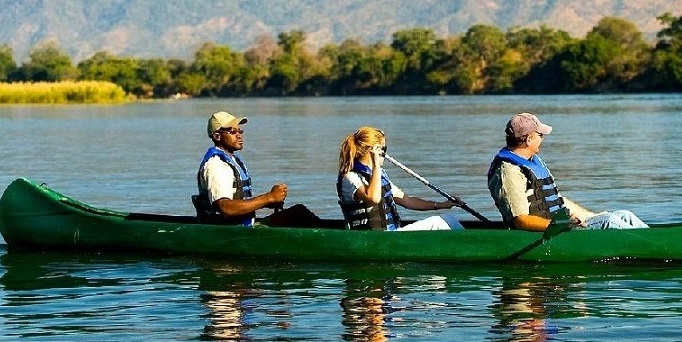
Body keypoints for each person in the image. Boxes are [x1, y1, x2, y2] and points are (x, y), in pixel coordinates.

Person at [487, 112, 648, 232]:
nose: (542, 139)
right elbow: (520, 220)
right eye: (540, 135)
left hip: (560, 224)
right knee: (609, 221)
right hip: (547, 232)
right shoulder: (509, 171)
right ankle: (656, 247)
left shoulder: (532, 162)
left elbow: (558, 201)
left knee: (625, 215)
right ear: (529, 139)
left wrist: (591, 216)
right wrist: (560, 225)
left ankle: (659, 239)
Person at [195, 110, 319, 227]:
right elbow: (226, 208)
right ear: (217, 136)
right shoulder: (217, 165)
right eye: (233, 132)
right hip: (231, 232)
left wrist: (269, 203)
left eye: (240, 131)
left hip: (240, 227)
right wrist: (269, 197)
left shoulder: (231, 161)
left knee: (298, 212)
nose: (239, 136)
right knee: (298, 213)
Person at [336, 126, 464, 231]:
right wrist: (375, 164)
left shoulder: (380, 175)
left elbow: (408, 201)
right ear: (373, 151)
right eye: (383, 149)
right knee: (439, 222)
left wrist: (442, 205)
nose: (385, 154)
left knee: (448, 219)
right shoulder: (350, 177)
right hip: (373, 239)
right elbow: (374, 198)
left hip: (392, 234)